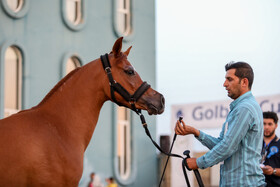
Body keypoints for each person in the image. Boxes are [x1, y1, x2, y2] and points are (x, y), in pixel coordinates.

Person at [175, 61, 266, 186]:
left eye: (229, 79)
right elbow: (222, 144)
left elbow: (227, 147)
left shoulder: (245, 108)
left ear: (244, 82)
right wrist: (196, 133)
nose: (224, 84)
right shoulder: (239, 108)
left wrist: (198, 162)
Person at [261, 111, 280, 186]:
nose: (266, 127)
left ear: (276, 125)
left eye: (270, 124)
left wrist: (273, 171)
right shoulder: (254, 144)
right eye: (264, 124)